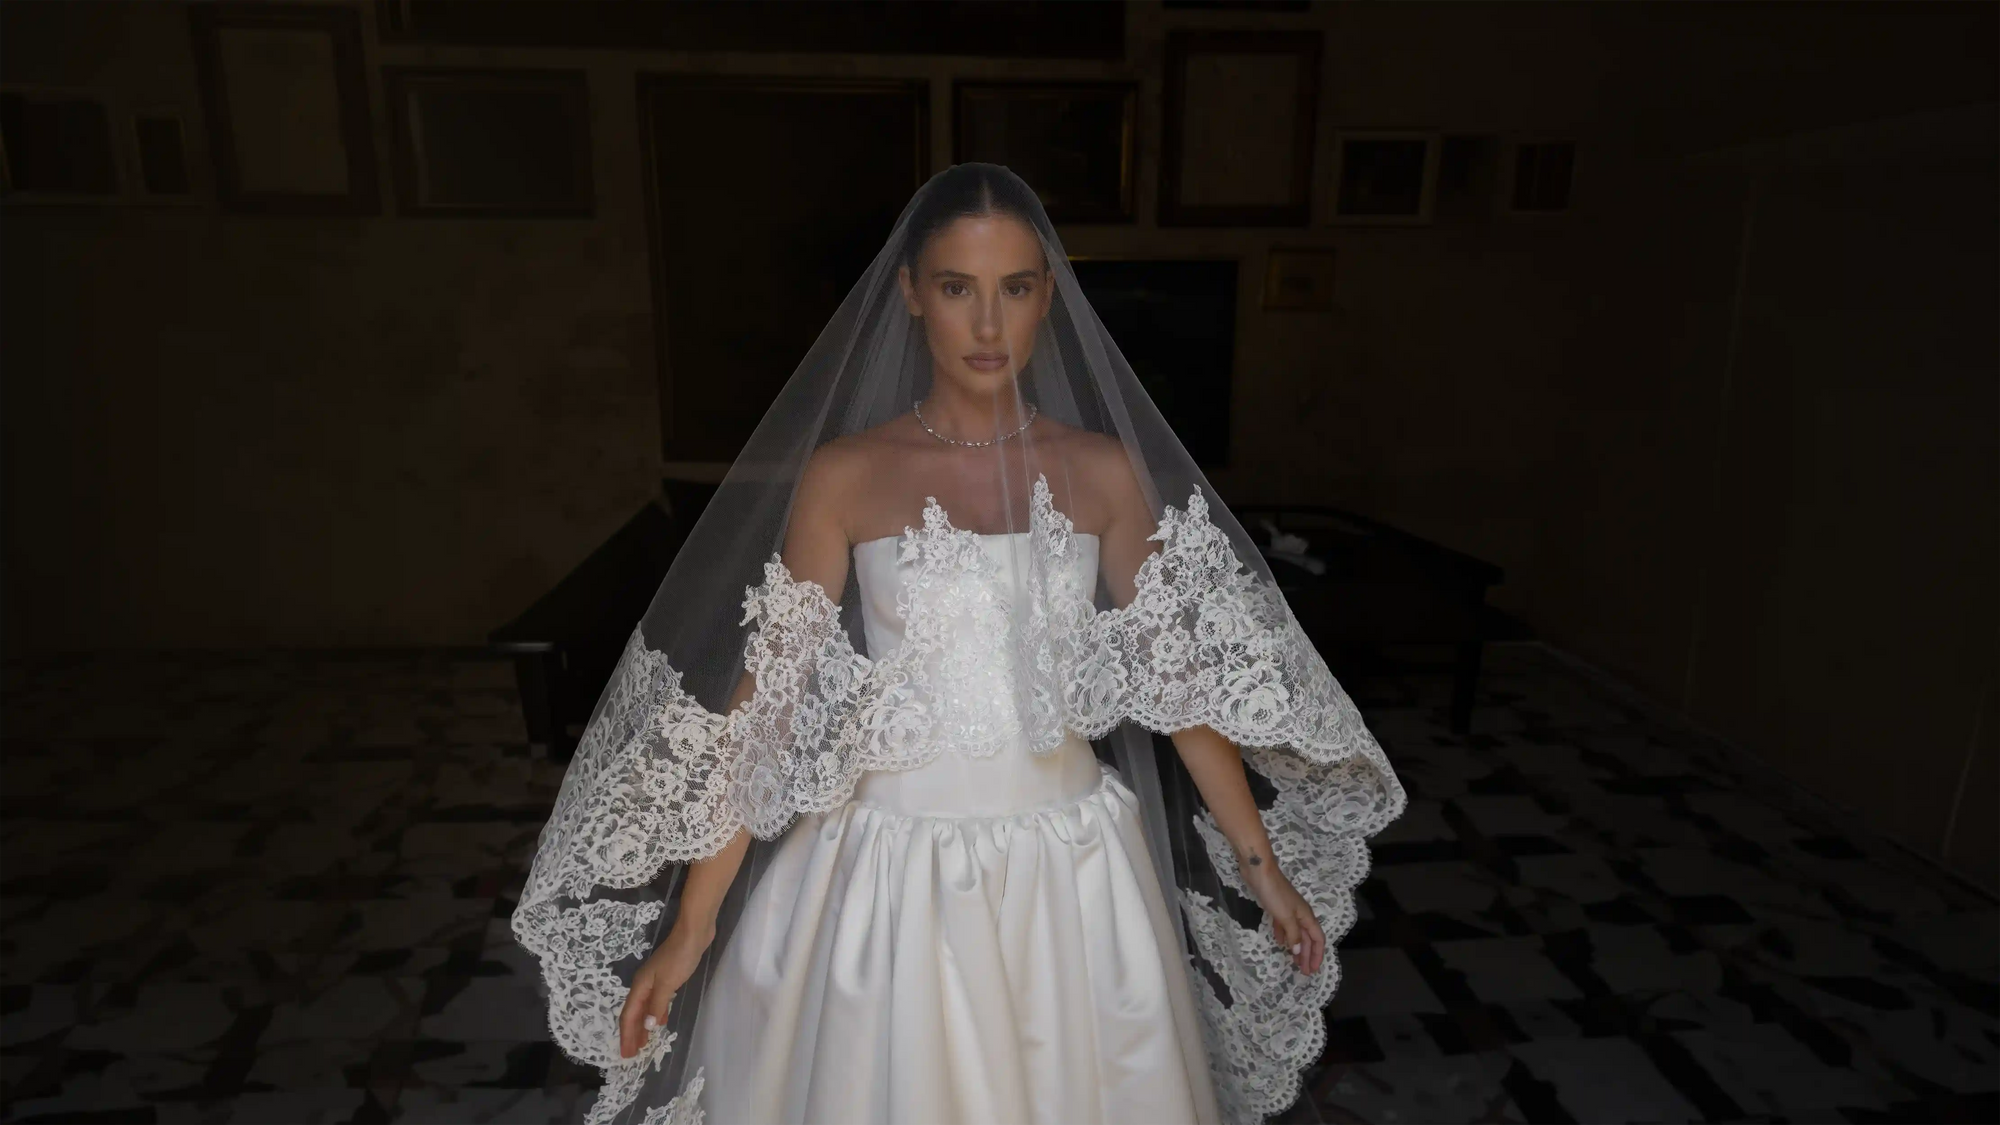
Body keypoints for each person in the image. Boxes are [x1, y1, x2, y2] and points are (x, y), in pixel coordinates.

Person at [513, 164, 1405, 1125]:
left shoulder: (1102, 474)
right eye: (956, 288)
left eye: (1015, 289)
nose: (988, 326)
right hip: (888, 883)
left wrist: (1261, 868)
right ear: (909, 294)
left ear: (1047, 297)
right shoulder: (848, 477)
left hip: (1071, 872)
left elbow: (1179, 687)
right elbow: (763, 714)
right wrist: (693, 924)